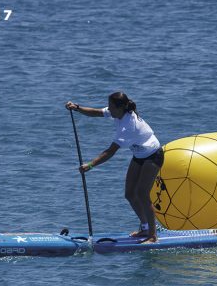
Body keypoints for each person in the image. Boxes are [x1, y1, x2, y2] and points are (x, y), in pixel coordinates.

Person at [66, 92, 164, 243]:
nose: (109, 109)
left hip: (153, 155)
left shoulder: (128, 126)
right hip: (139, 155)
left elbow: (110, 151)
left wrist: (90, 165)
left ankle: (152, 235)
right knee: (130, 194)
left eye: (111, 107)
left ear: (121, 107)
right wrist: (77, 108)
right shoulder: (118, 112)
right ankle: (144, 228)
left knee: (142, 193)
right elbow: (97, 112)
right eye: (109, 106)